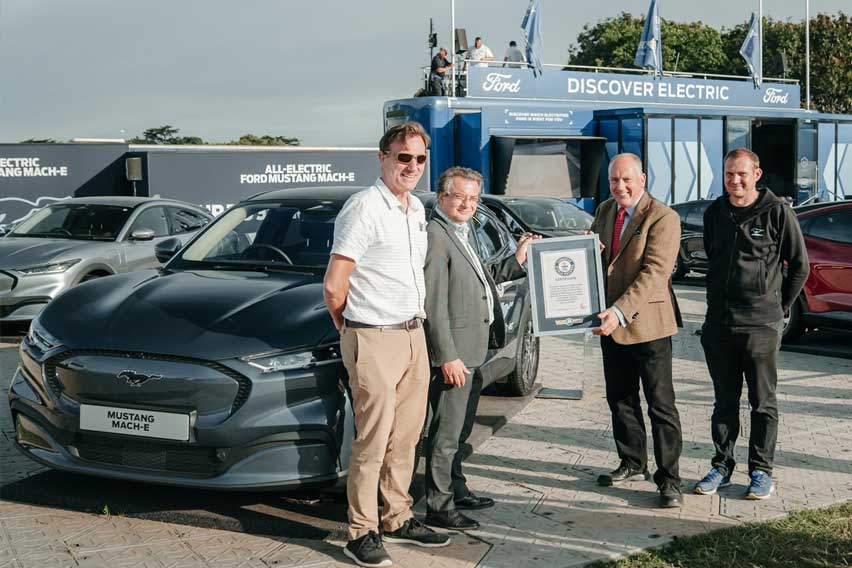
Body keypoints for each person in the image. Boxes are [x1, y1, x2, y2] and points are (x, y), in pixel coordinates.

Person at [325, 122, 450, 568]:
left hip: (413, 334)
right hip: (374, 336)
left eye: (419, 159)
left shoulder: (416, 208)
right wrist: (355, 329)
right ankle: (361, 531)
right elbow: (334, 286)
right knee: (372, 440)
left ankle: (397, 515)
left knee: (406, 437)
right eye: (403, 157)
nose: (412, 166)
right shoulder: (363, 207)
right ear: (382, 158)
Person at [422, 167, 539, 531]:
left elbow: (483, 280)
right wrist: (447, 356)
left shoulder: (465, 231)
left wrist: (518, 258)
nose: (467, 204)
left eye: (473, 198)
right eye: (460, 197)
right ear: (442, 197)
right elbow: (434, 304)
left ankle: (456, 489)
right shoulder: (436, 236)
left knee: (460, 431)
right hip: (455, 356)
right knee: (445, 436)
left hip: (474, 351)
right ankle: (439, 507)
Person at [693, 148, 809, 500]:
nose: (735, 180)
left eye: (741, 174)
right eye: (729, 174)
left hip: (761, 326)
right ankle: (721, 466)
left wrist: (778, 308)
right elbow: (714, 260)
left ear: (756, 174)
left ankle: (761, 471)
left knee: (762, 403)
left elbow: (799, 266)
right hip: (720, 325)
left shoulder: (777, 212)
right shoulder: (715, 213)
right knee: (723, 402)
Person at [591, 153, 684, 509]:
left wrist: (618, 311)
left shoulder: (663, 217)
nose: (620, 187)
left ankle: (670, 480)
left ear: (642, 179)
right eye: (614, 180)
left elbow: (654, 273)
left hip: (648, 325)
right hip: (609, 327)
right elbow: (593, 258)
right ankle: (632, 462)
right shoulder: (604, 211)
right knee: (621, 399)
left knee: (661, 406)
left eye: (627, 179)